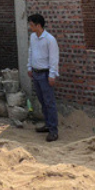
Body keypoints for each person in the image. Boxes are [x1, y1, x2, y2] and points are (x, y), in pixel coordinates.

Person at [28, 14, 60, 142]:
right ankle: (47, 124)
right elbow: (31, 52)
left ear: (38, 25)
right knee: (42, 101)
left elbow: (54, 58)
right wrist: (29, 66)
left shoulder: (49, 39)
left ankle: (53, 130)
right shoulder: (32, 37)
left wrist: (52, 74)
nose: (30, 27)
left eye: (32, 25)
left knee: (49, 102)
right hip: (36, 73)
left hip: (45, 74)